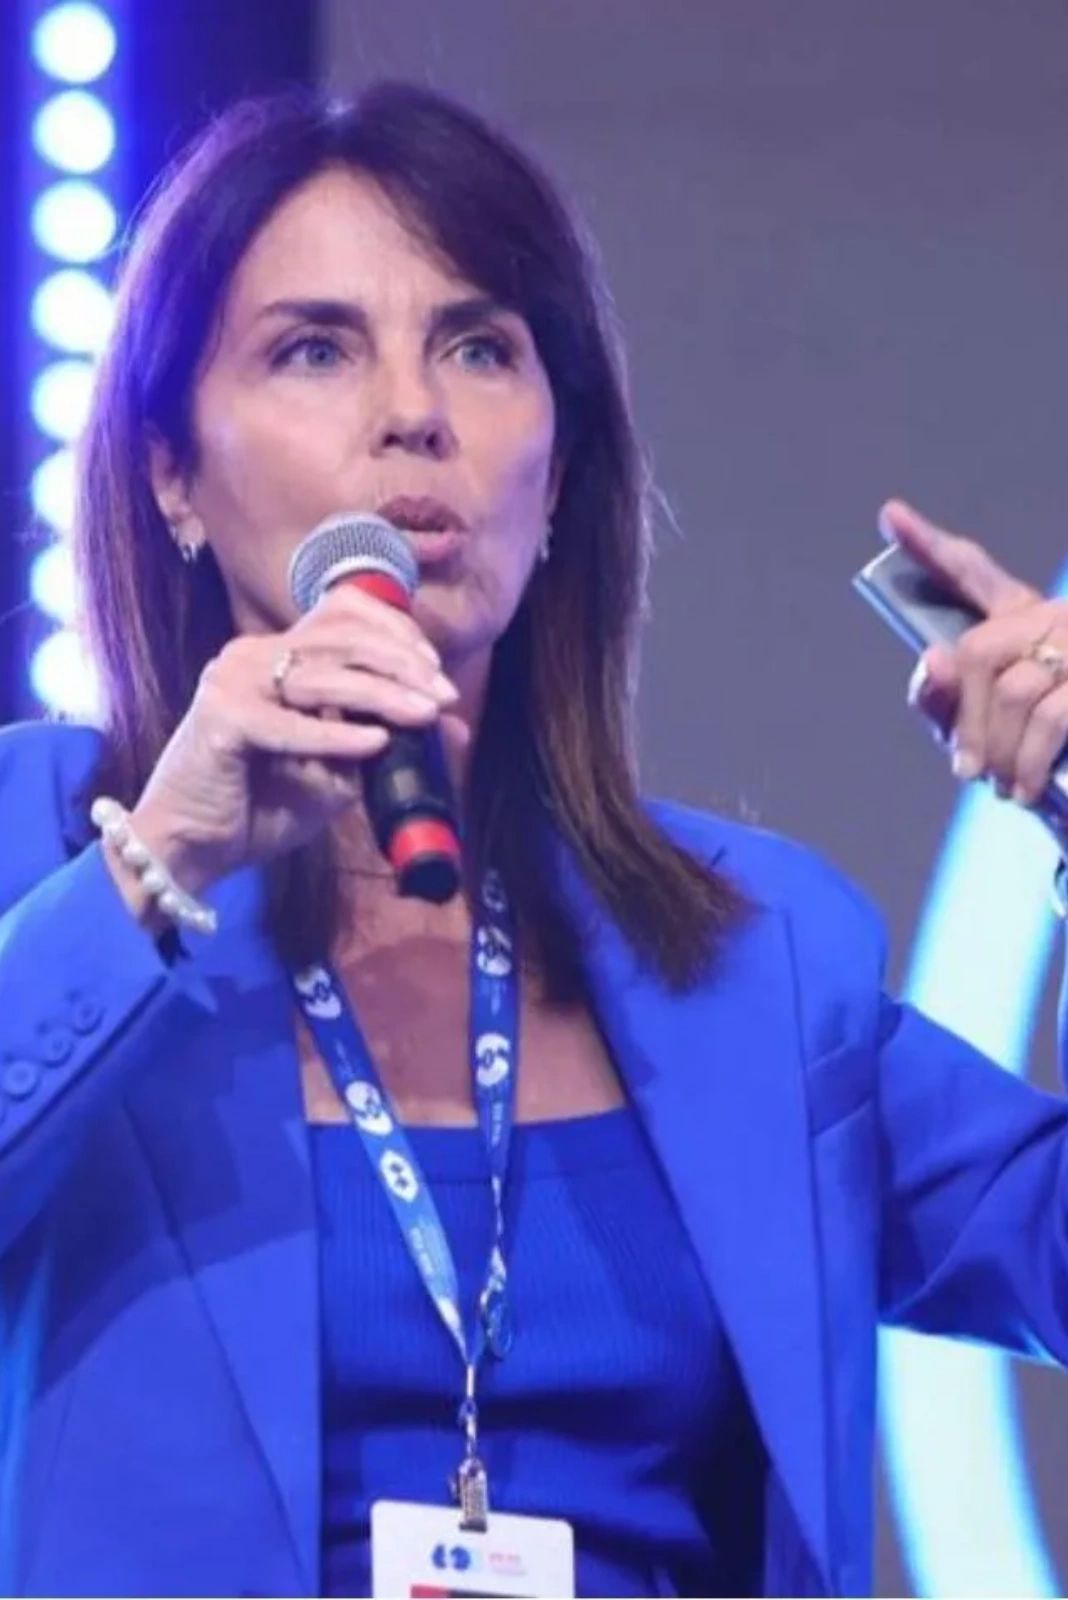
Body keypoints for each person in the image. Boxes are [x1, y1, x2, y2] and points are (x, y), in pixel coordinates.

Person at [2, 82, 1068, 1600]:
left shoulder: (756, 962)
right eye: (315, 350)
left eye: (480, 347)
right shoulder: (51, 855)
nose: (413, 413)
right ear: (171, 470)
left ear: (558, 476)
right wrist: (159, 864)